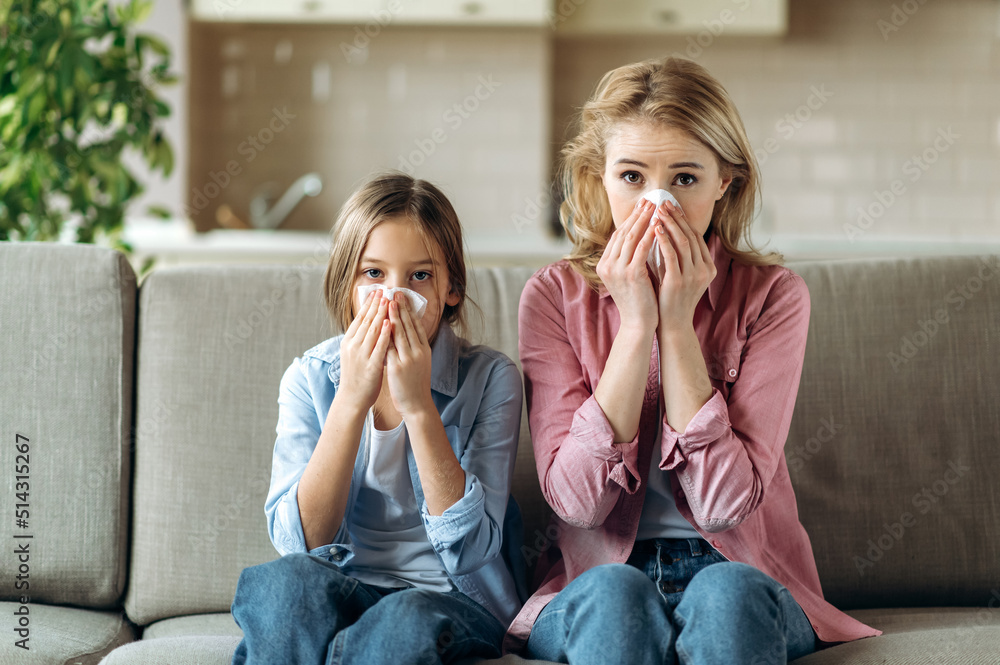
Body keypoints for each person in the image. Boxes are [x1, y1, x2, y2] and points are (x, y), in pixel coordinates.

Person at [506, 57, 881, 664]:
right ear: (598, 179)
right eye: (632, 176)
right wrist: (636, 328)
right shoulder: (553, 297)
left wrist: (676, 327)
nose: (659, 205)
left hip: (740, 572)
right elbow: (578, 504)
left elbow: (721, 506)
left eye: (684, 178)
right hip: (600, 581)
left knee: (727, 595)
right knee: (613, 595)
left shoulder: (773, 297)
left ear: (723, 183)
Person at [231, 173, 524, 665]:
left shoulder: (492, 379)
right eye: (373, 274)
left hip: (449, 602)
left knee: (403, 617)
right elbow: (299, 544)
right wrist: (349, 401)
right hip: (345, 589)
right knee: (282, 585)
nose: (394, 296)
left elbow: (473, 548)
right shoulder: (310, 378)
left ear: (451, 288)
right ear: (346, 285)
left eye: (420, 276)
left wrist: (418, 407)